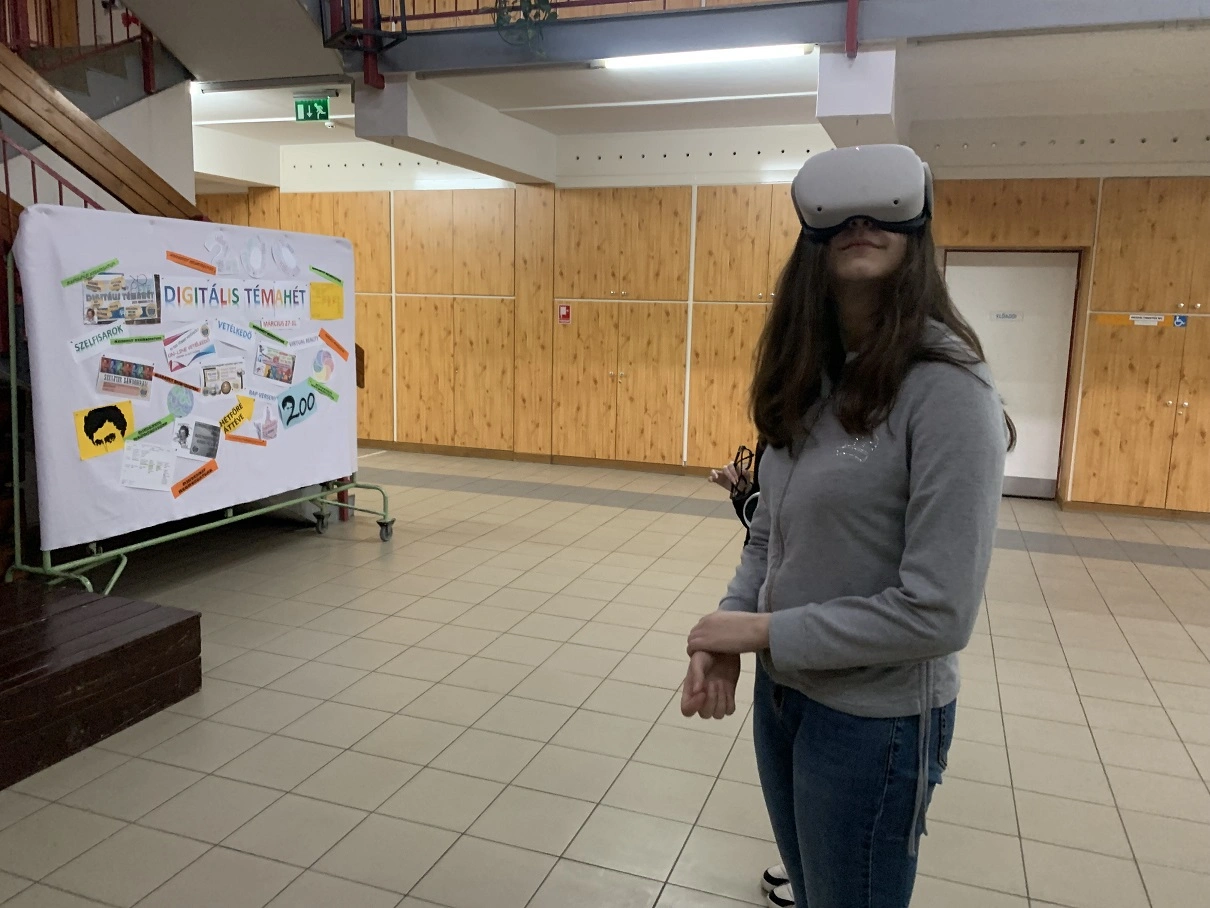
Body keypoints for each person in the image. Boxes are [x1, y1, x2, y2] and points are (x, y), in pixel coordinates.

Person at [680, 144, 1013, 908]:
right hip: (783, 700)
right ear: (812, 242)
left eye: (882, 209)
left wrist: (760, 632)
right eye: (840, 214)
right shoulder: (808, 375)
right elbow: (769, 533)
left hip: (875, 724)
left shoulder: (947, 388)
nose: (860, 222)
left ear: (917, 234)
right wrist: (730, 628)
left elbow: (939, 612)